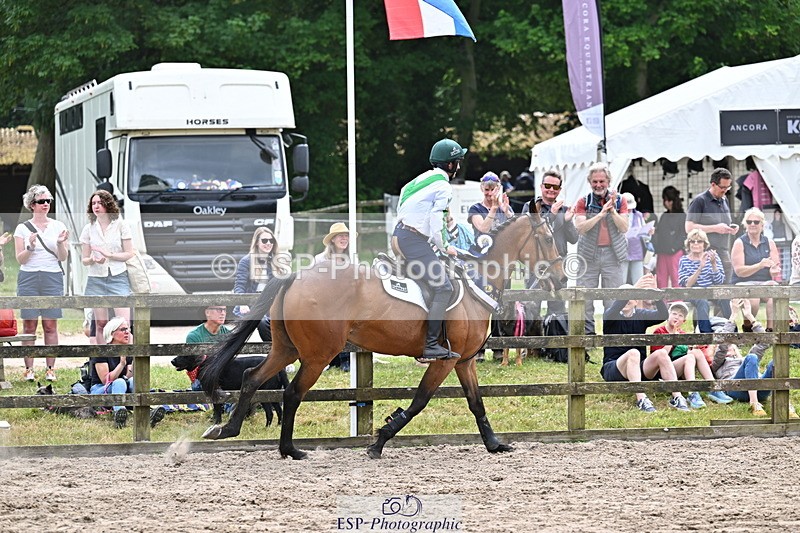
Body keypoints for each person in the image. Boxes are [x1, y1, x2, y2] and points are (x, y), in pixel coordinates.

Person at [392, 138, 465, 361]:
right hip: (414, 240)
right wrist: (446, 247)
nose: (459, 166)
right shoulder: (443, 187)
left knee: (428, 280)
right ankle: (430, 344)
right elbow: (436, 222)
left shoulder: (420, 179)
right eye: (458, 161)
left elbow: (403, 198)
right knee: (443, 287)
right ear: (450, 165)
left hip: (399, 235)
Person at [599, 274, 690, 412]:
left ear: (636, 301)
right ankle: (641, 399)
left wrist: (656, 293)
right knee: (633, 353)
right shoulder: (610, 315)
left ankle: (677, 397)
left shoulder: (641, 314)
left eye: (631, 297)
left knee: (661, 354)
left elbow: (663, 315)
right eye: (623, 297)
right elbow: (616, 307)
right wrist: (633, 289)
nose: (627, 300)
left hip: (639, 369)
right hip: (614, 367)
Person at [13, 185, 69, 382]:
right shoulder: (22, 228)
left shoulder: (58, 226)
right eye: (41, 201)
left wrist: (61, 243)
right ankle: (29, 369)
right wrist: (30, 247)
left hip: (52, 276)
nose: (45, 204)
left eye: (48, 201)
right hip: (28, 277)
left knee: (50, 325)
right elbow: (20, 259)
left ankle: (50, 369)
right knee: (29, 325)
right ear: (31, 205)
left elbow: (63, 257)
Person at [711, 299, 799, 418]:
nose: (729, 345)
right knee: (751, 357)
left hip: (760, 389)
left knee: (777, 361)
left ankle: (785, 404)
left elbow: (764, 342)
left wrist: (749, 316)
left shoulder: (744, 359)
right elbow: (723, 345)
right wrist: (733, 315)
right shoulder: (718, 362)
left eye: (731, 344)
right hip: (736, 389)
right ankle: (754, 404)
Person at [574, 162, 629, 334]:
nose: (598, 185)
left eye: (602, 181)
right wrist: (600, 214)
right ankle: (588, 338)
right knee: (585, 299)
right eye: (595, 181)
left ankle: (610, 337)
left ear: (608, 181)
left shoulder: (620, 201)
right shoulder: (583, 201)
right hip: (588, 256)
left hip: (613, 255)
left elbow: (624, 227)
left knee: (612, 299)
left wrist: (612, 211)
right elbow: (580, 228)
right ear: (589, 182)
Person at [649, 301, 733, 407]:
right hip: (665, 371)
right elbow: (661, 356)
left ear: (683, 321)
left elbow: (686, 353)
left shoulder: (683, 334)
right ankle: (692, 393)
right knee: (689, 357)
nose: (676, 317)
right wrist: (672, 336)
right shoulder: (659, 331)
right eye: (674, 314)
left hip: (680, 368)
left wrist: (692, 349)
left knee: (696, 352)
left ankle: (713, 387)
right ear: (668, 316)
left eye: (680, 316)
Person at [89, 317, 165, 428]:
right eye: (123, 329)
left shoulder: (127, 351)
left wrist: (134, 361)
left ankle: (147, 412)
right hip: (99, 389)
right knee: (119, 382)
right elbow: (105, 380)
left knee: (133, 380)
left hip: (121, 387)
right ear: (112, 333)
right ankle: (119, 412)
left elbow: (128, 377)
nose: (127, 332)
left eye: (128, 329)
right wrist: (121, 364)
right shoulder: (101, 352)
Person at [79, 189, 134, 344]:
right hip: (96, 278)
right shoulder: (88, 228)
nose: (96, 206)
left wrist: (109, 255)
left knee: (123, 323)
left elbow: (129, 253)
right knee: (101, 323)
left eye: (100, 202)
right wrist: (93, 259)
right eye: (93, 203)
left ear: (108, 204)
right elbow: (84, 259)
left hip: (118, 276)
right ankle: (102, 361)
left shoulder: (121, 225)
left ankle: (128, 363)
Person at [522, 168, 578, 316]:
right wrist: (552, 214)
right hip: (535, 264)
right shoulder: (531, 207)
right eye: (547, 186)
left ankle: (555, 338)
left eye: (555, 187)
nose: (551, 190)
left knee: (558, 309)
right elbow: (529, 232)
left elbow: (574, 239)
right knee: (532, 307)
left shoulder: (563, 209)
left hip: (558, 264)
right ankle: (533, 339)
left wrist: (568, 221)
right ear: (541, 187)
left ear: (560, 190)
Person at [313, 222, 357, 371]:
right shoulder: (320, 259)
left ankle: (346, 359)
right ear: (333, 239)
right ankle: (333, 358)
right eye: (341, 236)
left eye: (346, 236)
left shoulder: (352, 258)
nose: (344, 239)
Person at [233, 226, 287, 342]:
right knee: (262, 322)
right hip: (252, 305)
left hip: (272, 305)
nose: (268, 243)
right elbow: (239, 287)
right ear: (257, 242)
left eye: (271, 240)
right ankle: (271, 349)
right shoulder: (246, 261)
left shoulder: (277, 262)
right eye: (264, 240)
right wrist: (242, 303)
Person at [731, 207, 780, 331]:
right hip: (743, 282)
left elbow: (774, 268)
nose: (752, 224)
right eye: (749, 222)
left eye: (756, 222)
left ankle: (770, 331)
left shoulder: (769, 243)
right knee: (754, 299)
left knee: (775, 291)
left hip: (764, 282)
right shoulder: (739, 243)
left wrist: (773, 271)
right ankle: (748, 327)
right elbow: (739, 271)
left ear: (762, 225)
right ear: (745, 224)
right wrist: (759, 265)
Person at [686, 168, 738, 283]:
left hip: (723, 250)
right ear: (713, 184)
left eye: (728, 187)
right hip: (705, 251)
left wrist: (731, 228)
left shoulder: (724, 200)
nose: (725, 191)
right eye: (722, 187)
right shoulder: (700, 201)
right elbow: (689, 228)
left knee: (726, 282)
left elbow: (724, 223)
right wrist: (715, 228)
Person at [678, 229, 730, 333]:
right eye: (692, 241)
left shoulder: (713, 257)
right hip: (694, 292)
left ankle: (729, 330)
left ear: (704, 244)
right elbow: (687, 285)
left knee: (725, 298)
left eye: (699, 241)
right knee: (702, 301)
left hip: (711, 290)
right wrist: (700, 267)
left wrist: (714, 264)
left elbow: (719, 282)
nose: (695, 244)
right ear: (688, 244)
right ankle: (705, 334)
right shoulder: (684, 260)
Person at [185, 305, 232, 389]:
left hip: (225, 376)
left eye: (224, 310)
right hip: (204, 378)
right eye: (219, 310)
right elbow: (193, 367)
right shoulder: (194, 336)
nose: (223, 313)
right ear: (207, 312)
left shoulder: (229, 334)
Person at [652, 186, 686, 288]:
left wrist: (674, 248)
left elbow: (683, 235)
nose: (666, 203)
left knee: (676, 279)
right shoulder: (664, 215)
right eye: (665, 200)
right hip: (662, 252)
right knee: (661, 280)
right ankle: (662, 303)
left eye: (668, 200)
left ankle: (678, 302)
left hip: (675, 253)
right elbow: (660, 232)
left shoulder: (682, 216)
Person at [468, 171, 514, 239]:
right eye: (486, 190)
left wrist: (508, 213)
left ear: (498, 189)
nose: (490, 193)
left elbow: (517, 229)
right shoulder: (475, 209)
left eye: (492, 190)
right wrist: (494, 208)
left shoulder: (505, 207)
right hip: (481, 248)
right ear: (481, 188)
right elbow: (483, 229)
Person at [621, 192, 648, 285]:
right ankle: (621, 299)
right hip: (621, 251)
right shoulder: (616, 215)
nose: (628, 210)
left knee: (639, 280)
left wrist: (648, 231)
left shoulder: (639, 215)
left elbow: (645, 233)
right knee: (621, 281)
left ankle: (639, 299)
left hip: (637, 250)